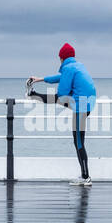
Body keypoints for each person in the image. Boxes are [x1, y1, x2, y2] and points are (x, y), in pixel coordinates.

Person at [27, 42, 97, 186]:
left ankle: (86, 177)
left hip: (81, 106)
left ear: (61, 58)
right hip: (88, 103)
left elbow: (62, 93)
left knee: (78, 142)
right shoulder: (77, 66)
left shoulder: (69, 68)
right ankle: (33, 94)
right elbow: (60, 77)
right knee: (78, 140)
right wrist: (41, 79)